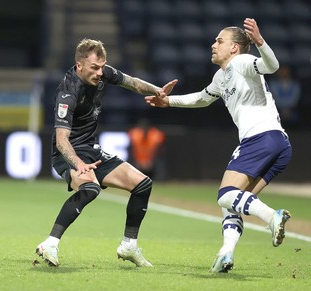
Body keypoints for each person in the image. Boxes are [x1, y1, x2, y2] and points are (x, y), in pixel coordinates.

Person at [145, 18, 292, 273]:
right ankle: (226, 253)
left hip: (261, 138)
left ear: (234, 47)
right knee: (232, 201)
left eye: (219, 41)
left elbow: (272, 66)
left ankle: (272, 216)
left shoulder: (242, 62)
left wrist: (260, 42)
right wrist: (169, 102)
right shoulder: (220, 76)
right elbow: (202, 98)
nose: (213, 45)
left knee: (225, 195)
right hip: (279, 144)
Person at [35, 38, 177, 267]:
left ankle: (129, 245)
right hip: (67, 153)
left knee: (143, 184)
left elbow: (132, 83)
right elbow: (61, 141)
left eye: (102, 67)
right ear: (79, 65)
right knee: (90, 188)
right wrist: (78, 164)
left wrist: (158, 91)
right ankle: (50, 243)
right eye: (94, 68)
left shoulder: (103, 72)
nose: (101, 73)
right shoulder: (67, 92)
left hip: (91, 149)